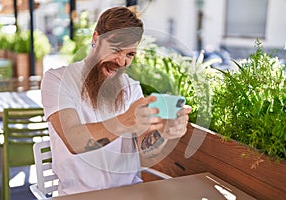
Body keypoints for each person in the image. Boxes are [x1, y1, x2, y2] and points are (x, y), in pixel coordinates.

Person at [41, 6, 192, 196]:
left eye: (130, 54)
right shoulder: (57, 79)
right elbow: (75, 141)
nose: (122, 62)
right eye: (116, 50)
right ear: (96, 38)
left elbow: (145, 154)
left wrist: (164, 133)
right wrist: (125, 120)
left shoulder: (132, 88)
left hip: (129, 192)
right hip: (79, 195)